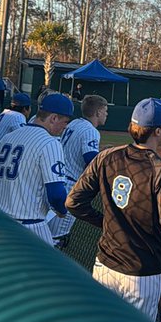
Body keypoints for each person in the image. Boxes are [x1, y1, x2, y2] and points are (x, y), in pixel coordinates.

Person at [66, 97, 161, 320]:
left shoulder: (107, 156)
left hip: (105, 263)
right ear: (158, 131)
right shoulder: (160, 169)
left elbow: (73, 202)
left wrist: (106, 222)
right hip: (140, 273)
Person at [0, 92, 74, 245]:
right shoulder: (50, 143)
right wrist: (62, 210)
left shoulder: (7, 138)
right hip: (29, 226)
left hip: (0, 222)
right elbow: (56, 194)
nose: (65, 127)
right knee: (48, 261)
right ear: (53, 118)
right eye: (65, 122)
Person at [49, 94, 109, 247]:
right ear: (98, 112)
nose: (106, 114)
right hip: (70, 186)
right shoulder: (91, 131)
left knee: (47, 233)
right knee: (57, 239)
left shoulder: (74, 123)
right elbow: (91, 159)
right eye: (105, 111)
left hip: (58, 179)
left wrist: (101, 152)